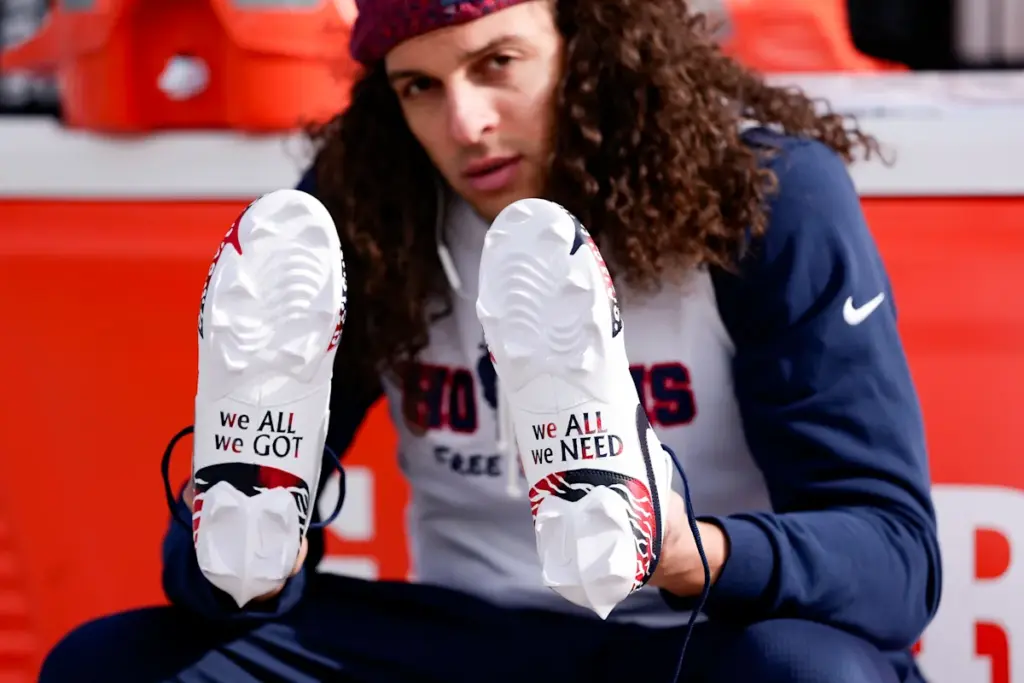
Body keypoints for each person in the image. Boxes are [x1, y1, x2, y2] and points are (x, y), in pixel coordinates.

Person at [39, 0, 942, 681]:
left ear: (587, 41)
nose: (464, 124)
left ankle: (634, 514)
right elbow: (198, 599)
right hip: (466, 639)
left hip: (694, 636)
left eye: (497, 63)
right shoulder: (366, 205)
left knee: (811, 671)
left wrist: (682, 549)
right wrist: (246, 551)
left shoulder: (765, 195)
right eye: (419, 86)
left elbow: (898, 564)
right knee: (111, 662)